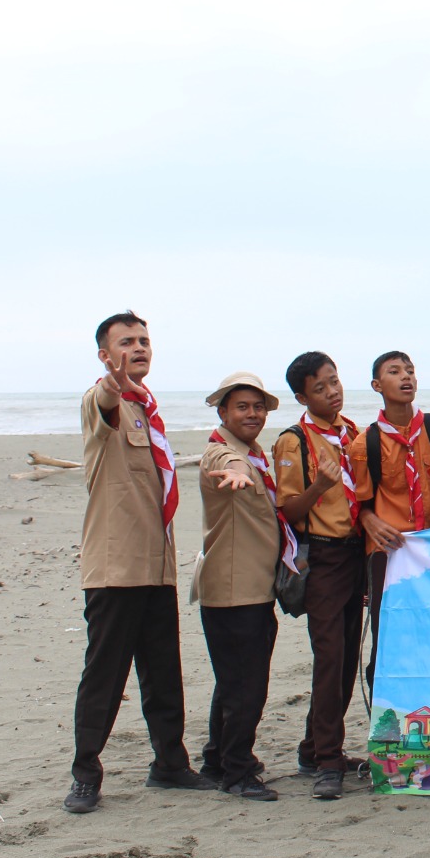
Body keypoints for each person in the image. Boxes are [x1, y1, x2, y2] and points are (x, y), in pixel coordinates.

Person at [66, 312, 213, 813]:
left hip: (156, 566)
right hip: (114, 568)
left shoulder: (147, 409)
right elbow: (103, 398)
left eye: (145, 340)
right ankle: (86, 772)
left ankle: (169, 765)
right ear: (105, 355)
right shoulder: (103, 403)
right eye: (126, 342)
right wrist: (114, 383)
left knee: (163, 672)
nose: (139, 347)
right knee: (104, 676)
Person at [197, 372, 297, 801]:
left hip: (252, 588)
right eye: (242, 406)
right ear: (223, 411)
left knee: (232, 682)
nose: (253, 414)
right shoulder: (224, 455)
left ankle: (218, 758)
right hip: (235, 590)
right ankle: (238, 772)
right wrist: (237, 471)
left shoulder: (254, 455)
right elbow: (225, 464)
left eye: (258, 407)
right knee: (247, 686)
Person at [273, 351, 366, 800]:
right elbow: (289, 510)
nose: (333, 392)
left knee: (347, 655)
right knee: (329, 657)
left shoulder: (355, 435)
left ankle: (314, 747)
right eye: (320, 388)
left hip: (356, 555)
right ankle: (329, 760)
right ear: (302, 396)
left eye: (334, 381)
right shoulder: (294, 442)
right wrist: (321, 486)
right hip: (323, 558)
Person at [348, 351, 430, 684]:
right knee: (389, 634)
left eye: (410, 371)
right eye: (394, 372)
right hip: (390, 553)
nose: (406, 377)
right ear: (377, 385)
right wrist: (369, 521)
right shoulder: (363, 444)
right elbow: (360, 503)